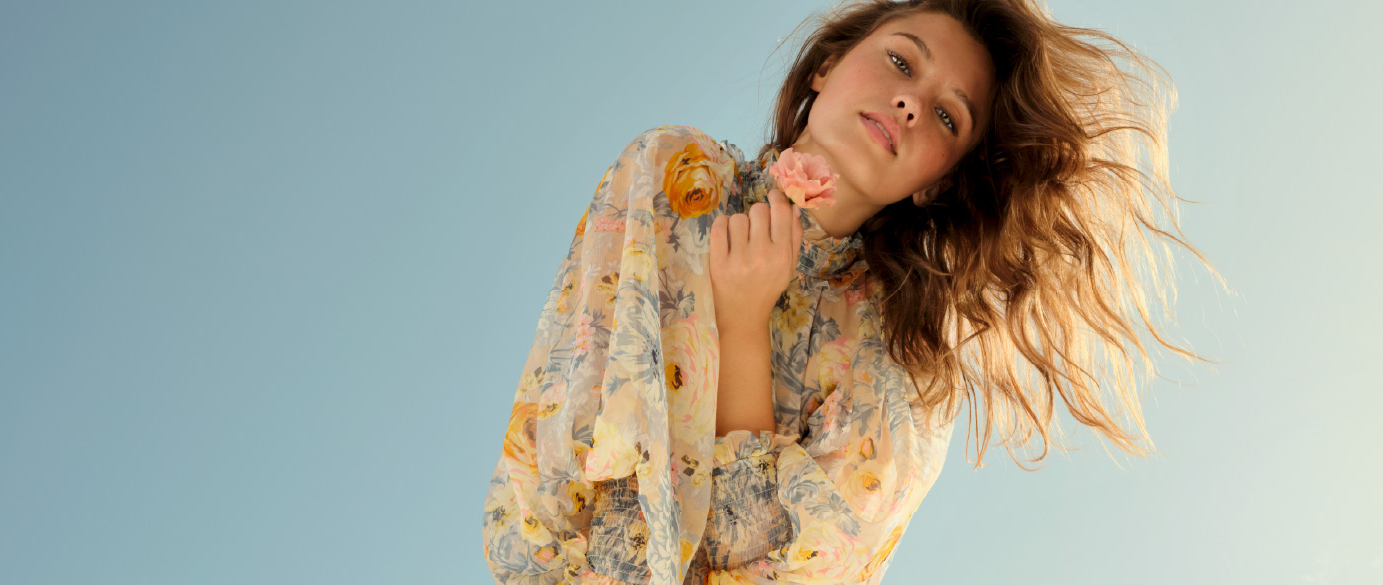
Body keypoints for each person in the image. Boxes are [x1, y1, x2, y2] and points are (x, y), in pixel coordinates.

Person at [482, 0, 1218, 583]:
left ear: (936, 182)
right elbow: (567, 459)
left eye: (945, 115)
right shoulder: (677, 175)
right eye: (900, 62)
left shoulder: (910, 375)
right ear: (825, 69)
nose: (908, 103)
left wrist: (742, 329)